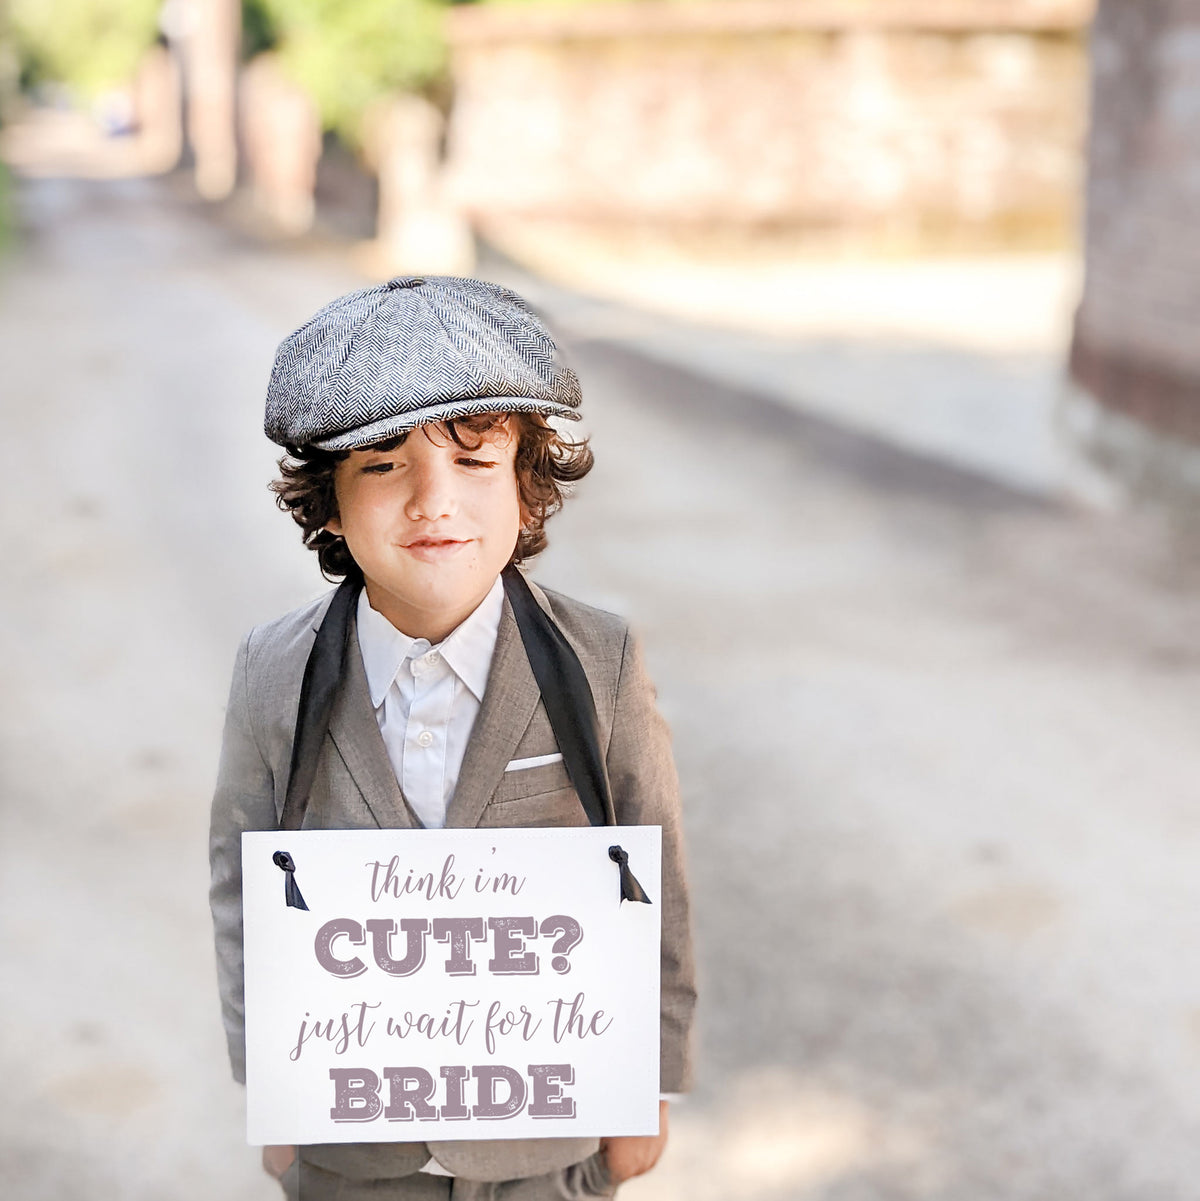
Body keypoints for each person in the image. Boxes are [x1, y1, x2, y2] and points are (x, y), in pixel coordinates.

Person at [208, 275, 696, 1201]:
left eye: (473, 461)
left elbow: (654, 872)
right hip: (354, 1154)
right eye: (383, 466)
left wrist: (649, 1088)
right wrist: (270, 1096)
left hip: (544, 1150)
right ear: (328, 502)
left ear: (527, 489)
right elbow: (242, 882)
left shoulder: (600, 661)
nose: (434, 502)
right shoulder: (272, 671)